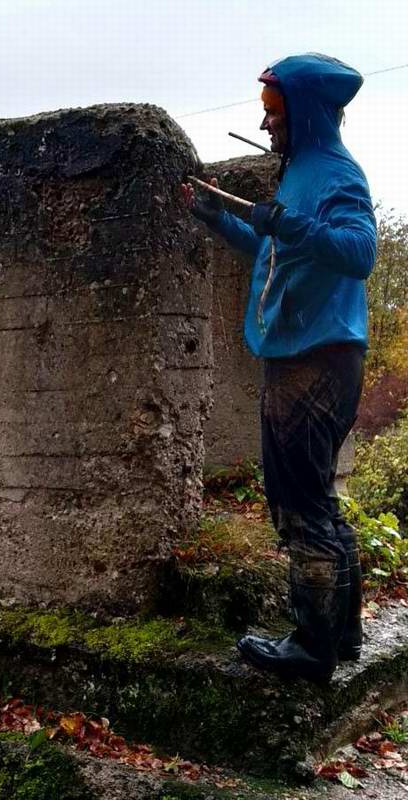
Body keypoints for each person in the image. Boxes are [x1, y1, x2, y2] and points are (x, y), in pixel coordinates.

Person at [182, 53, 377, 682]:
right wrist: (224, 221)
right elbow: (274, 248)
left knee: (299, 505)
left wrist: (287, 223)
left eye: (274, 113)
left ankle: (310, 647)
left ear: (307, 112)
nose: (265, 126)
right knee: (317, 496)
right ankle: (340, 636)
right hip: (309, 353)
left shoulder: (335, 176)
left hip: (314, 359)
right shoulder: (301, 173)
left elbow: (360, 252)